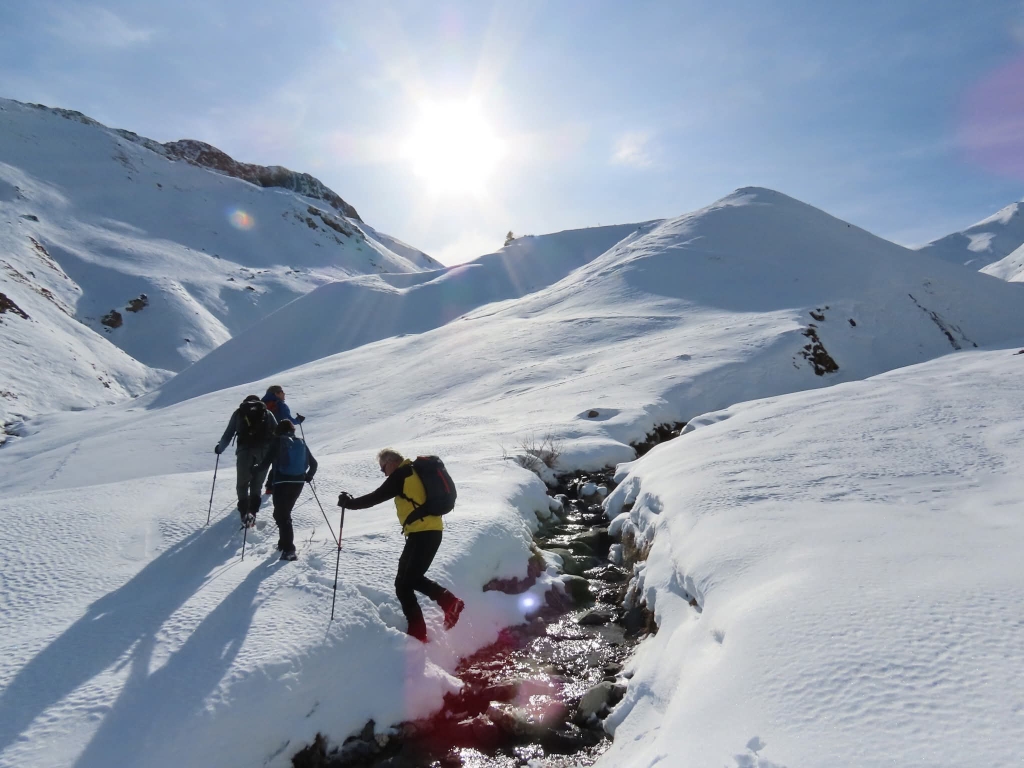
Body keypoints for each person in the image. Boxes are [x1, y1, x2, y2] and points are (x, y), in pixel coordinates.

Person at [338, 449, 464, 642]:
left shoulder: (402, 474)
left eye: (383, 468)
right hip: (425, 533)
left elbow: (376, 497)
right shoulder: (413, 472)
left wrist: (349, 503)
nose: (384, 473)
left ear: (391, 462)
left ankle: (445, 606)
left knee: (409, 581)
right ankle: (420, 630)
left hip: (423, 533)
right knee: (403, 583)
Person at [255, 420, 317, 561]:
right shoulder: (301, 442)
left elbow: (265, 464)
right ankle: (283, 544)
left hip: (281, 482)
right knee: (282, 514)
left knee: (282, 516)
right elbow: (314, 464)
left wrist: (254, 469)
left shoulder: (277, 441)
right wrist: (308, 476)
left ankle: (289, 550)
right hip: (298, 483)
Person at [215, 395, 278, 525]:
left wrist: (219, 448)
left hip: (244, 452)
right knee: (257, 484)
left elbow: (228, 433)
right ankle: (252, 513)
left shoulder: (239, 413)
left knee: (242, 484)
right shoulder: (267, 413)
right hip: (263, 452)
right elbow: (277, 431)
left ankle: (244, 513)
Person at [261, 385, 305, 495]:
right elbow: (287, 420)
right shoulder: (280, 405)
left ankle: (256, 486)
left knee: (266, 461)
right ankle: (271, 486)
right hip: (279, 437)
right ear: (276, 393)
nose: (284, 394)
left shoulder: (262, 405)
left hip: (263, 438)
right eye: (281, 392)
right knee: (279, 461)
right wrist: (298, 420)